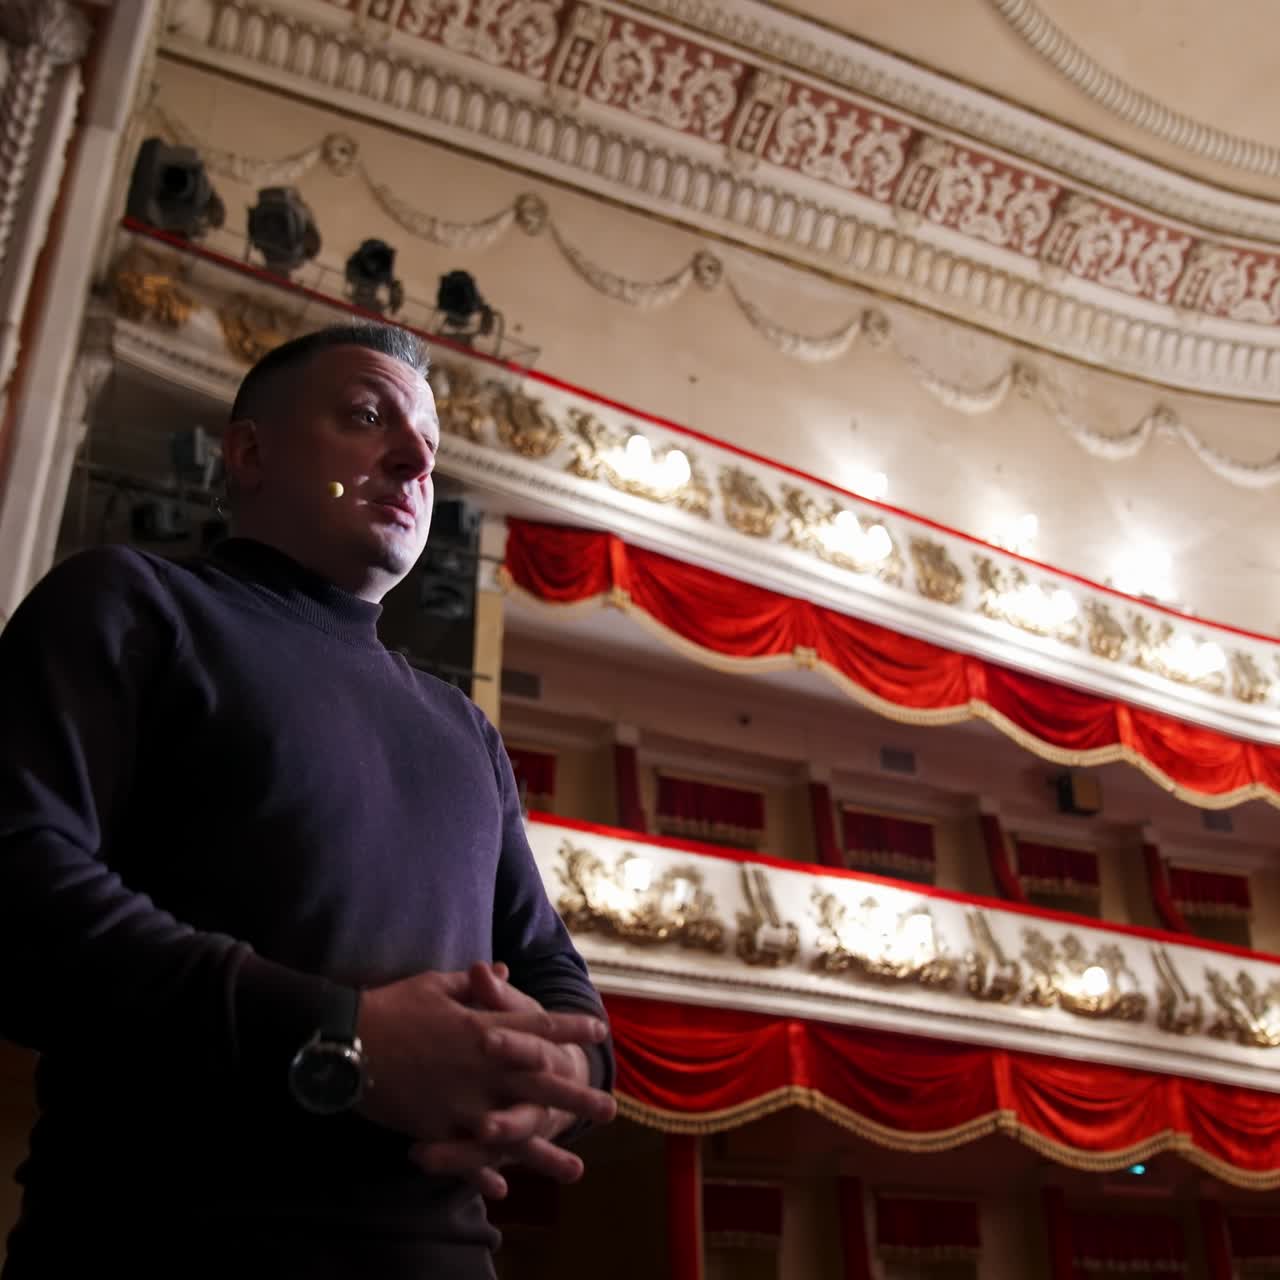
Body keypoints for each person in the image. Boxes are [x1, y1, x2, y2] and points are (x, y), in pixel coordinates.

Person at [0, 323, 616, 1278]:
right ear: (249, 453)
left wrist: (559, 1074)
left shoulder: (464, 729)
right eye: (368, 417)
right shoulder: (130, 604)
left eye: (429, 444)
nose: (416, 460)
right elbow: (18, 884)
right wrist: (337, 1035)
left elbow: (552, 973)